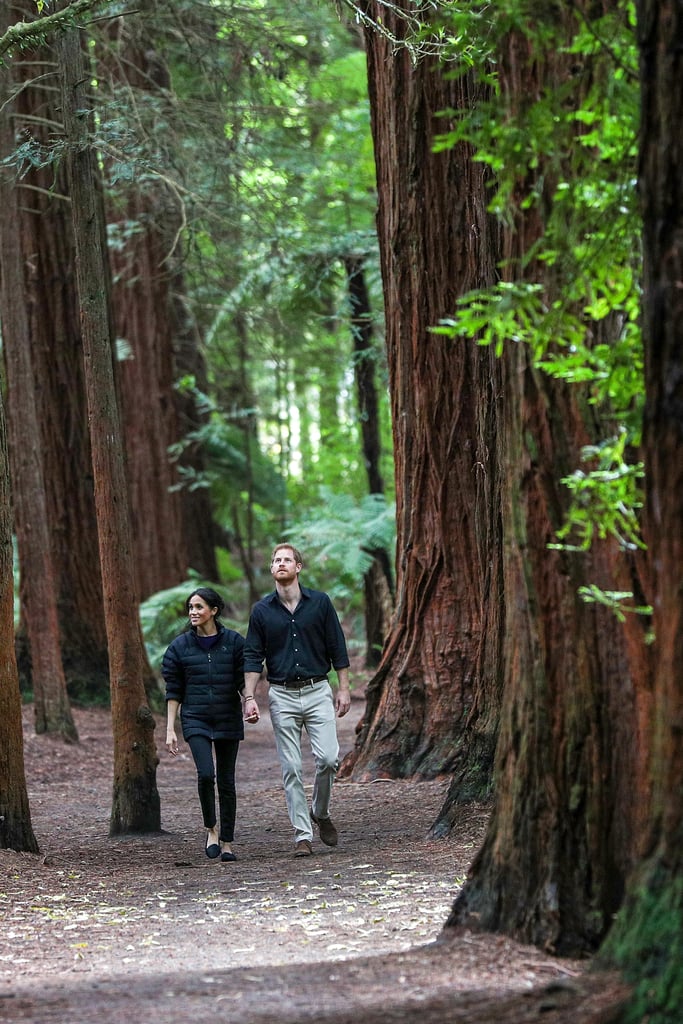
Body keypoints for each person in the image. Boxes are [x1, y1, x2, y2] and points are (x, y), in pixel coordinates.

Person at [244, 543, 351, 857]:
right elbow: (253, 657)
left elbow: (338, 647)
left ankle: (321, 811)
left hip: (318, 690)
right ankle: (303, 835)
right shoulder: (262, 611)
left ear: (298, 567)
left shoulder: (320, 603)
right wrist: (249, 697)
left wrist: (343, 688)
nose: (280, 563)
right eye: (276, 559)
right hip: (282, 695)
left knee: (329, 759)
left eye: (287, 559)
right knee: (291, 768)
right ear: (272, 569)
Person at [163, 587, 258, 862]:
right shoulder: (179, 647)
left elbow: (244, 680)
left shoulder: (234, 643)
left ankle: (227, 841)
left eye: (199, 607)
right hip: (195, 718)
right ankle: (211, 830)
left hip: (227, 716)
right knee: (206, 774)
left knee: (227, 781)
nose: (193, 612)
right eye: (190, 607)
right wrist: (170, 729)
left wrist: (248, 702)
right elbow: (174, 690)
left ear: (214, 611)